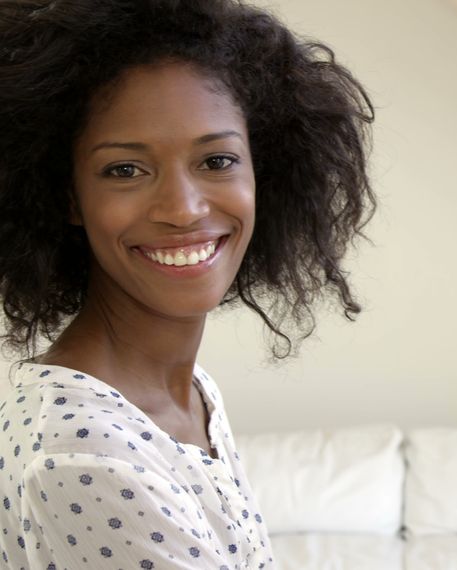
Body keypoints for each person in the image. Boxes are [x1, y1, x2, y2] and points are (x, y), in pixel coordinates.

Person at [0, 0, 375, 567]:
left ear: (263, 172)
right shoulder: (86, 455)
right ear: (67, 197)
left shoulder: (189, 393)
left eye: (217, 161)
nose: (182, 209)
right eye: (125, 170)